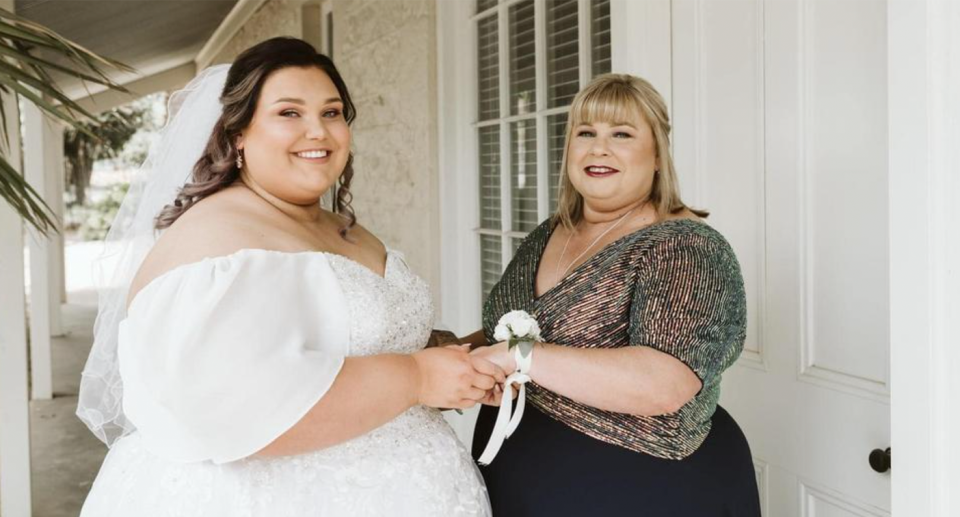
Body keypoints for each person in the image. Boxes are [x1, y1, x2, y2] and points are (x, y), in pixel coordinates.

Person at [77, 37, 495, 516]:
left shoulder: (342, 228)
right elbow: (234, 408)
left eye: (332, 112)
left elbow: (355, 346)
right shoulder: (216, 242)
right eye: (289, 113)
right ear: (238, 134)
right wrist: (417, 378)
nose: (318, 131)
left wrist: (453, 366)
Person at [467, 74, 761, 516]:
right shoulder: (547, 233)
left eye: (621, 134)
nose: (598, 148)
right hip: (523, 480)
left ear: (658, 154)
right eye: (585, 133)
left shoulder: (685, 246)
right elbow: (513, 332)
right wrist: (454, 355)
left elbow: (663, 384)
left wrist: (516, 357)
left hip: (640, 488)